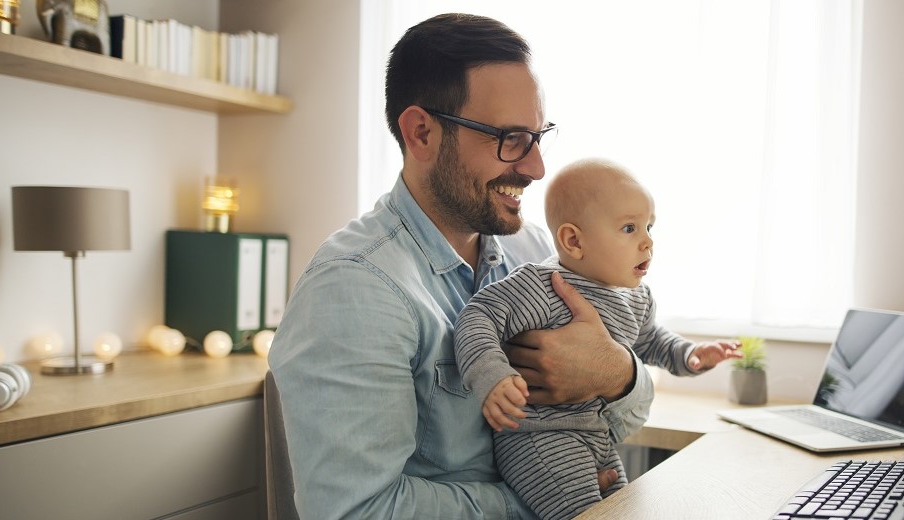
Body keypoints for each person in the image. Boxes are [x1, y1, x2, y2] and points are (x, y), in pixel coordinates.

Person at [267, 13, 656, 520]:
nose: (537, 167)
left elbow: (618, 415)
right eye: (511, 139)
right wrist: (548, 501)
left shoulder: (537, 253)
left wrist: (619, 373)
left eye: (539, 137)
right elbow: (356, 511)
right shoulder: (353, 289)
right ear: (422, 132)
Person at [455, 158, 742, 519]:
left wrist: (691, 354)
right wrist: (491, 374)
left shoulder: (637, 297)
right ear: (573, 240)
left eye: (649, 226)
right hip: (539, 437)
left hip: (596, 435)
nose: (648, 242)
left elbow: (652, 341)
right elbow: (478, 315)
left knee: (623, 507)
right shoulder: (542, 286)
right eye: (629, 228)